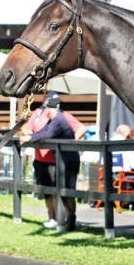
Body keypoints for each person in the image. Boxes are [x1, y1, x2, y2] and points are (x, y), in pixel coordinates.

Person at [20, 92, 86, 231]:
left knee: (66, 191)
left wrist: (72, 143)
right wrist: (30, 135)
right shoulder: (50, 119)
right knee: (54, 191)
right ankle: (62, 219)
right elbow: (43, 131)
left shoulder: (60, 119)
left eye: (47, 109)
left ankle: (68, 218)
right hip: (57, 159)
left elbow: (47, 134)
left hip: (66, 160)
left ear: (51, 109)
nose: (45, 112)